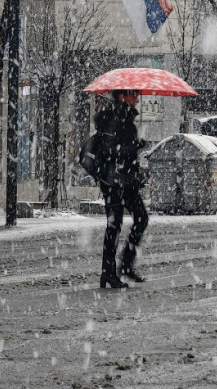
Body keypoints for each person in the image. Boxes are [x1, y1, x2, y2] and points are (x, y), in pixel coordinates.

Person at [94, 89, 149, 289]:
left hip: (126, 180)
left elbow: (123, 149)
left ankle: (125, 265)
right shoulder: (112, 118)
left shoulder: (126, 118)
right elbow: (110, 150)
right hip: (113, 180)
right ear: (122, 96)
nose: (138, 98)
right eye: (134, 94)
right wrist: (134, 146)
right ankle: (108, 272)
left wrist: (135, 147)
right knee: (114, 224)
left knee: (141, 218)